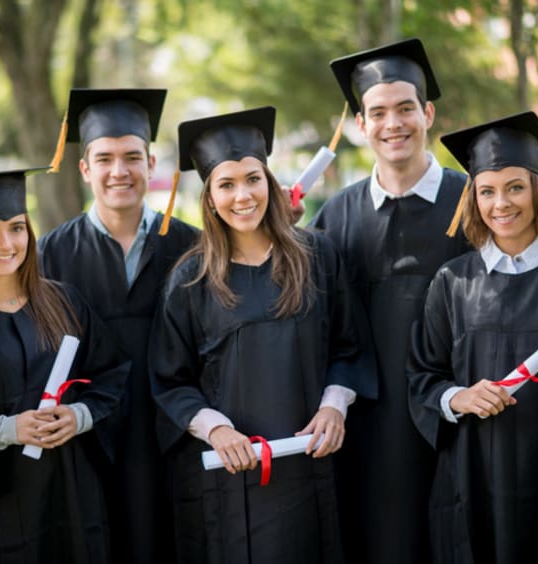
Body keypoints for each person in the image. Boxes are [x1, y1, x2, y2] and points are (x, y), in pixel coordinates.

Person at [149, 106, 375, 564]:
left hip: (311, 465)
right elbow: (170, 382)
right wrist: (215, 431)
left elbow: (350, 347)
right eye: (226, 185)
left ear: (269, 183)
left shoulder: (317, 255)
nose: (242, 195)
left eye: (253, 179)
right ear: (210, 199)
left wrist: (334, 407)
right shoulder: (191, 279)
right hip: (231, 474)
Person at [306, 38, 472, 564]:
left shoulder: (472, 201)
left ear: (428, 113)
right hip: (368, 425)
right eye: (377, 112)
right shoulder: (335, 215)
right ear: (361, 124)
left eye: (405, 108)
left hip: (457, 411)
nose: (392, 123)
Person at [0, 167, 130, 563]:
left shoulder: (65, 302)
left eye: (16, 228)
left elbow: (114, 375)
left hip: (73, 488)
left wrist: (80, 415)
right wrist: (7, 429)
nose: (6, 242)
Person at [38, 88, 198, 564]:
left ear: (151, 163)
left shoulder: (193, 248)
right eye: (104, 158)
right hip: (88, 443)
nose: (119, 171)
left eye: (132, 157)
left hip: (173, 437)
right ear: (84, 168)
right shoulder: (50, 253)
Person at [407, 111, 538, 564]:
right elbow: (424, 376)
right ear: (473, 198)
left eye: (515, 187)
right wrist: (458, 398)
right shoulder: (453, 283)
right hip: (475, 472)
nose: (502, 203)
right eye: (487, 191)